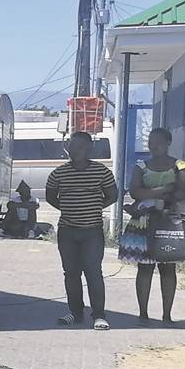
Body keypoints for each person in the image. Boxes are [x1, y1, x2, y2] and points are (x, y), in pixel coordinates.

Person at [45, 130, 119, 329]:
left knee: (93, 272)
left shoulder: (101, 171)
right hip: (67, 231)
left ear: (89, 149)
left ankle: (99, 315)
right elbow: (51, 197)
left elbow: (112, 195)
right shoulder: (58, 173)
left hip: (92, 231)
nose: (74, 150)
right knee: (71, 273)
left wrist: (94, 207)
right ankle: (75, 312)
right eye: (71, 146)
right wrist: (69, 208)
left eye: (79, 146)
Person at [118, 128, 185, 323]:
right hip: (145, 222)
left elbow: (181, 191)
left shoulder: (180, 165)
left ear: (168, 143)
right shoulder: (141, 166)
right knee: (145, 268)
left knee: (168, 268)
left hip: (168, 222)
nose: (153, 146)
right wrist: (164, 189)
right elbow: (134, 192)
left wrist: (149, 192)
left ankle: (167, 316)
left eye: (158, 142)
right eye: (150, 142)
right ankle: (143, 314)